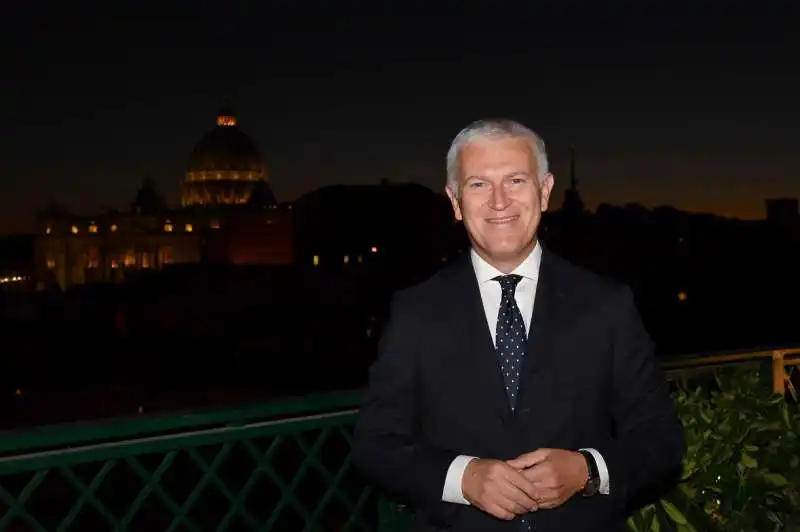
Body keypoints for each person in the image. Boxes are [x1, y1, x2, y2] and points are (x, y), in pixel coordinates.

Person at [353, 119, 685, 531]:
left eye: (515, 180)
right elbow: (375, 444)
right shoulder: (415, 310)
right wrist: (464, 478)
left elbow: (661, 440)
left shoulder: (607, 305)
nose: (498, 201)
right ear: (455, 202)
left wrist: (586, 470)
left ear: (544, 191)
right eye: (478, 184)